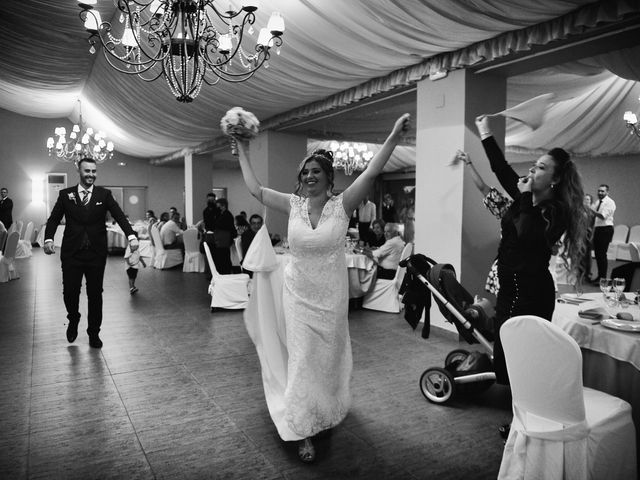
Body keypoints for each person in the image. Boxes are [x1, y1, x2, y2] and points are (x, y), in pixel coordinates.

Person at [235, 112, 410, 463]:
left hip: (330, 300)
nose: (310, 176)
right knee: (302, 360)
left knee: (325, 362)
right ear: (301, 179)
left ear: (328, 178)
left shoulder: (341, 206)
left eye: (316, 171)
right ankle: (304, 429)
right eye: (306, 172)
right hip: (297, 296)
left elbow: (372, 171)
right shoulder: (293, 205)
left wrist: (391, 136)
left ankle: (324, 407)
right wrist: (241, 148)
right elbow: (255, 189)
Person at [475, 115, 588, 434]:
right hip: (511, 290)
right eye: (534, 165)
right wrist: (485, 132)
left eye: (540, 167)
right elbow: (500, 168)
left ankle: (526, 421)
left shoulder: (555, 211)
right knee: (508, 355)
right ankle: (523, 416)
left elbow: (527, 235)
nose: (532, 170)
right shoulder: (527, 195)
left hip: (531, 293)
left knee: (524, 357)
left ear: (554, 180)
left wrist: (524, 196)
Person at [43, 157, 139, 348]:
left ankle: (94, 333)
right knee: (70, 292)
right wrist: (48, 238)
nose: (91, 175)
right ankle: (73, 317)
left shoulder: (104, 195)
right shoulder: (65, 195)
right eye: (87, 171)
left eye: (94, 171)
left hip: (96, 253)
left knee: (95, 294)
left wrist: (131, 235)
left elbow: (119, 215)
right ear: (79, 172)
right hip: (72, 253)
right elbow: (53, 219)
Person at [591, 184, 616, 283]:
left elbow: (602, 216)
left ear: (607, 192)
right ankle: (600, 276)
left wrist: (589, 209)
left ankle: (603, 279)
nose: (600, 193)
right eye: (599, 191)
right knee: (597, 255)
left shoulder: (610, 202)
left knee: (602, 254)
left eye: (602, 191)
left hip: (606, 230)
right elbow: (592, 213)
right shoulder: (598, 202)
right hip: (598, 229)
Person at [211, 197, 236, 274]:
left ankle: (224, 272)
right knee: (222, 255)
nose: (217, 208)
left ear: (223, 206)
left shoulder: (227, 215)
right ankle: (222, 271)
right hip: (222, 238)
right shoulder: (223, 214)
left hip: (224, 238)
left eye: (218, 206)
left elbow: (221, 225)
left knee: (223, 256)